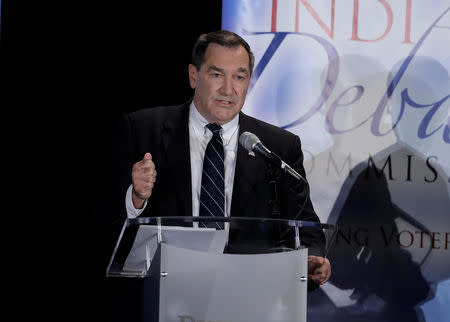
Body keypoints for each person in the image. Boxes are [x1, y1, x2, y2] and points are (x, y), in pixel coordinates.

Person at [115, 30, 331, 286]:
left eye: (239, 77)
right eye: (217, 75)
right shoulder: (142, 129)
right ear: (194, 76)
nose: (228, 89)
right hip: (163, 290)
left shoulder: (279, 146)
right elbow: (102, 214)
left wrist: (314, 257)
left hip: (248, 291)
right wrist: (135, 198)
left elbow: (304, 223)